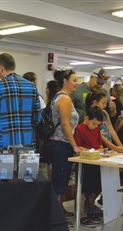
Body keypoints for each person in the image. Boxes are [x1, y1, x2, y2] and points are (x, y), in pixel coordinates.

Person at [0, 53, 41, 149]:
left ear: (1, 68)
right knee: (26, 164)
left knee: (4, 164)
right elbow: (37, 118)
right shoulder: (32, 86)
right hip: (27, 139)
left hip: (3, 140)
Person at [46, 69, 81, 218]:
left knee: (60, 178)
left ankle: (58, 210)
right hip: (61, 143)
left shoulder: (59, 97)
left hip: (59, 143)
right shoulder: (64, 99)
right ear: (65, 81)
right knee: (60, 179)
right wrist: (74, 145)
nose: (76, 83)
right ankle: (55, 213)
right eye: (74, 80)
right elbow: (65, 125)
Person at [74, 106, 104, 228]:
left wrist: (100, 149)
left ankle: (91, 209)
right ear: (87, 118)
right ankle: (81, 214)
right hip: (84, 163)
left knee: (94, 188)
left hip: (95, 161)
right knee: (83, 189)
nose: (95, 126)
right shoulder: (79, 129)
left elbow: (99, 144)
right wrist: (87, 150)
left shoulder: (96, 129)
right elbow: (77, 147)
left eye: (97, 124)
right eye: (93, 123)